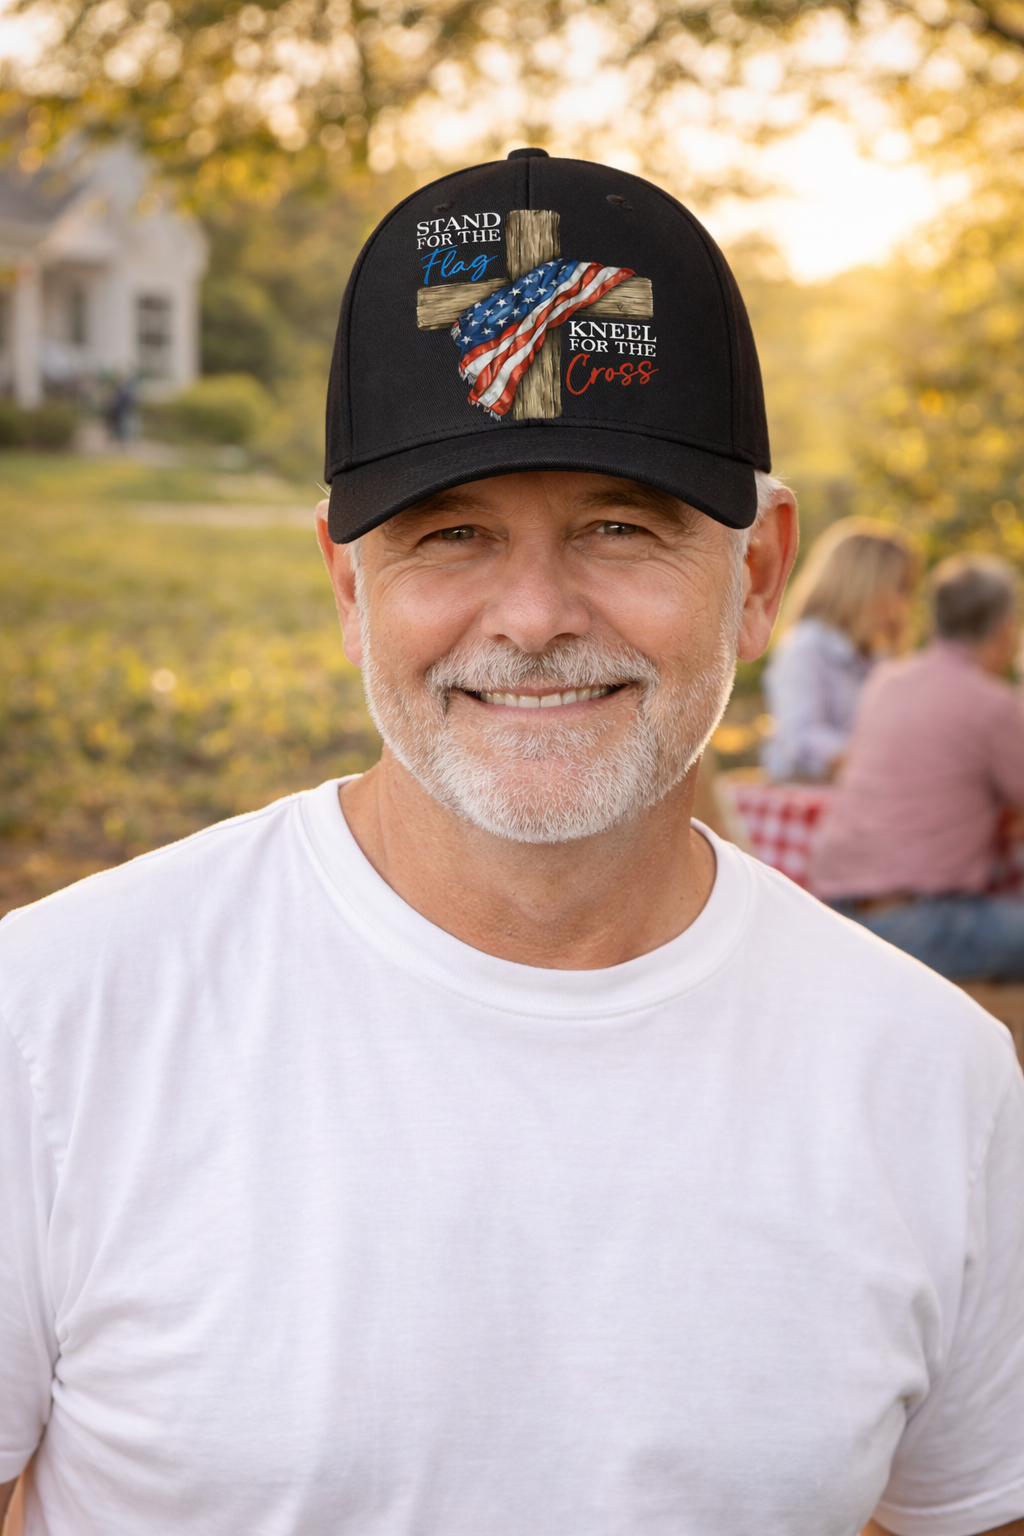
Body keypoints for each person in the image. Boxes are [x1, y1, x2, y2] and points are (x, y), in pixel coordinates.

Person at [2, 151, 1023, 1536]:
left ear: (761, 573)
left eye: (620, 524)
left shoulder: (934, 1075)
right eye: (451, 533)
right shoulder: (55, 1021)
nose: (533, 614)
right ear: (347, 588)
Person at [811, 553, 1024, 978]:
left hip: (837, 914)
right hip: (922, 925)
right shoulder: (993, 706)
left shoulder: (887, 681)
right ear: (1003, 630)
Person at [761, 518, 917, 780]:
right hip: (806, 795)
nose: (904, 601)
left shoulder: (877, 656)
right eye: (900, 586)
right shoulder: (808, 645)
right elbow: (800, 737)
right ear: (866, 585)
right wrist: (876, 758)